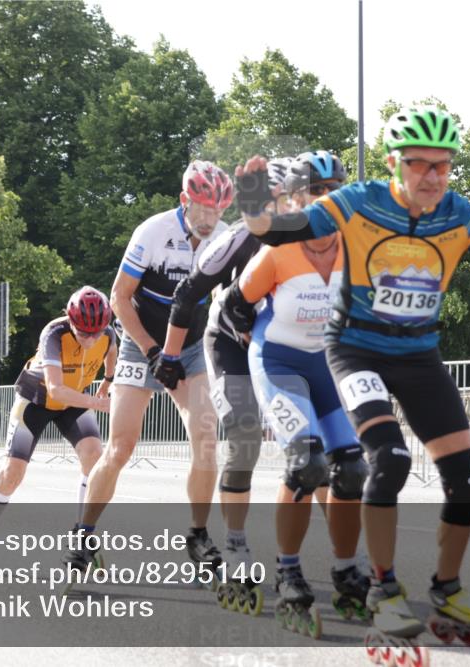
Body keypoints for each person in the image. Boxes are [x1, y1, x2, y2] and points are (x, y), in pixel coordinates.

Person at [234, 107, 470, 657]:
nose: (432, 177)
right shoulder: (359, 201)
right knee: (388, 462)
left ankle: (446, 588)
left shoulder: (458, 215)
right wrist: (249, 201)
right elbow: (280, 229)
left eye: (443, 166)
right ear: (394, 163)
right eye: (419, 165)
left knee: (468, 480)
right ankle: (383, 586)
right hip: (355, 349)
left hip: (418, 355)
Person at [224, 150, 369, 637]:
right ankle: (288, 572)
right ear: (297, 199)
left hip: (327, 366)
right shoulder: (277, 252)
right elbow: (233, 308)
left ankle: (347, 570)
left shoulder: (357, 246)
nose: (326, 203)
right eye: (316, 193)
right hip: (280, 363)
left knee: (351, 468)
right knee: (307, 464)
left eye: (334, 192)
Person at [66, 160, 233, 575]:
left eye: (219, 212)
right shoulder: (153, 232)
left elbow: (229, 301)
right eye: (203, 211)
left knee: (206, 437)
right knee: (121, 447)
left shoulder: (225, 238)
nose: (211, 221)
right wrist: (152, 350)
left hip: (191, 348)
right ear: (184, 201)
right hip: (141, 348)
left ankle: (197, 535)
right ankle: (84, 534)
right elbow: (120, 297)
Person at [162, 157, 293, 614]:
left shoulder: (316, 238)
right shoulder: (238, 238)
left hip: (282, 349)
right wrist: (170, 356)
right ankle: (235, 547)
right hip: (230, 344)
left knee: (314, 449)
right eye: (277, 201)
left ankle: (304, 563)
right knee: (242, 434)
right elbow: (186, 294)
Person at [0, 286, 116, 572]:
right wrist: (97, 401)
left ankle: (82, 534)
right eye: (83, 333)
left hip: (73, 402)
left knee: (95, 455)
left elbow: (111, 356)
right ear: (71, 321)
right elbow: (56, 389)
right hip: (37, 400)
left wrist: (107, 382)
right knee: (12, 474)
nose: (91, 339)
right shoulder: (54, 334)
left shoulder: (108, 333)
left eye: (97, 333)